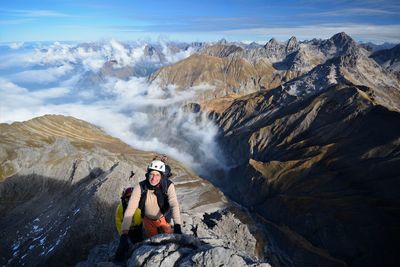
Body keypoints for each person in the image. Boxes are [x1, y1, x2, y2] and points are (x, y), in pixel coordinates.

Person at [114, 159, 182, 261]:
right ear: (148, 174)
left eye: (157, 175)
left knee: (171, 239)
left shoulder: (168, 185)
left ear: (162, 176)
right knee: (154, 243)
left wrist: (177, 225)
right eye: (152, 174)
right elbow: (130, 210)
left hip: (163, 219)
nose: (154, 178)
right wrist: (124, 234)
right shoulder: (140, 187)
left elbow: (174, 205)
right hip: (148, 220)